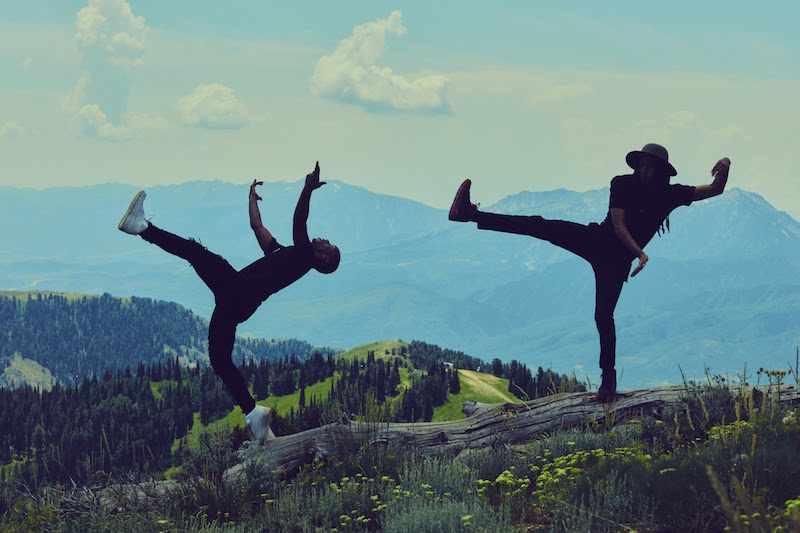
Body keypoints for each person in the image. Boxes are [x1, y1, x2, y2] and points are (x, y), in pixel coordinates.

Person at [448, 144, 730, 401]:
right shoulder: (622, 184)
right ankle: (470, 214)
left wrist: (725, 166)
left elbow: (715, 189)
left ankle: (608, 381)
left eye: (649, 166)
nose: (643, 170)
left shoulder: (671, 194)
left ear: (661, 172)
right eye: (641, 165)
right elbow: (619, 226)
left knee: (603, 316)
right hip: (598, 241)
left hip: (616, 263)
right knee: (541, 225)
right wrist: (640, 253)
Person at [117, 161, 340, 441]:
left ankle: (142, 228)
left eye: (328, 245)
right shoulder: (290, 256)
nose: (325, 239)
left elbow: (299, 222)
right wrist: (252, 200)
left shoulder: (305, 258)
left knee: (196, 253)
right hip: (237, 302)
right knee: (219, 358)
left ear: (323, 258)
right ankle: (254, 415)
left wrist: (307, 189)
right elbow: (257, 226)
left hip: (237, 292)